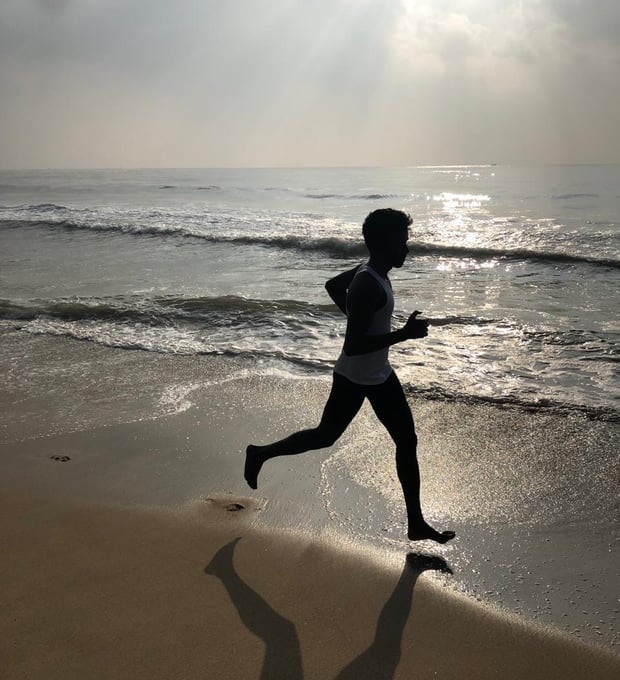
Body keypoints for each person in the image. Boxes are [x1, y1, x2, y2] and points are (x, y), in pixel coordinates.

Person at [244, 208, 455, 544]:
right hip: (354, 376)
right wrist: (403, 334)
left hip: (380, 374)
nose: (407, 248)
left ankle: (416, 524)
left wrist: (360, 317)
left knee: (406, 441)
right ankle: (259, 453)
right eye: (403, 241)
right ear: (385, 242)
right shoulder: (367, 282)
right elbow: (354, 345)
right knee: (325, 436)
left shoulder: (371, 272)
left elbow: (332, 285)